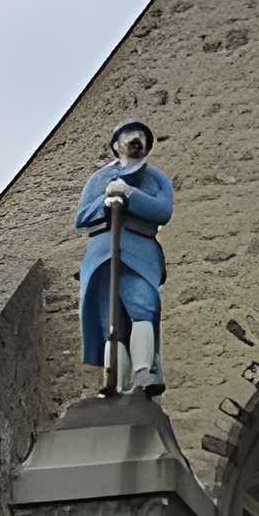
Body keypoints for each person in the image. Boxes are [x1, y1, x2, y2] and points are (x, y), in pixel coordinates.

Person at [75, 119, 172, 393]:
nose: (135, 143)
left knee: (143, 307)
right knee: (111, 321)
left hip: (138, 253)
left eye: (140, 139)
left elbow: (163, 210)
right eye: (129, 138)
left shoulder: (155, 178)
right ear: (117, 146)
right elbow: (81, 217)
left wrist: (130, 194)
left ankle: (142, 372)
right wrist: (105, 202)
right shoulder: (99, 179)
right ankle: (116, 382)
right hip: (102, 254)